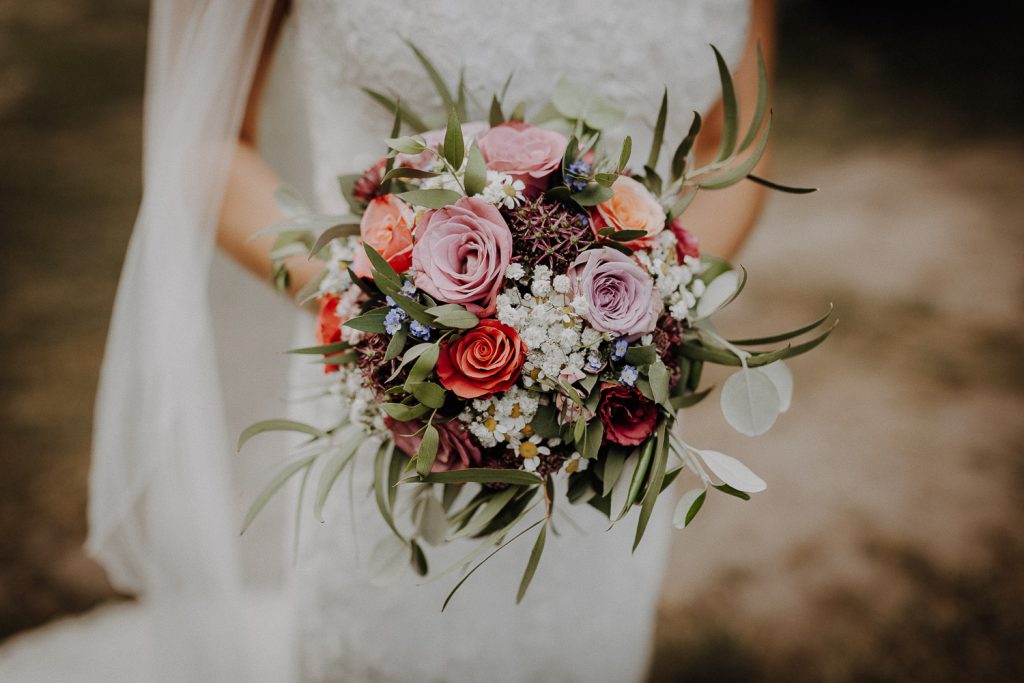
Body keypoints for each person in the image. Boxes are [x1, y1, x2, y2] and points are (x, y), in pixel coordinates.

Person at [88, 1, 774, 681]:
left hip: (598, 431)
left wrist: (629, 317)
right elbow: (203, 141)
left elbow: (732, 144)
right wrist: (381, 304)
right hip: (392, 411)